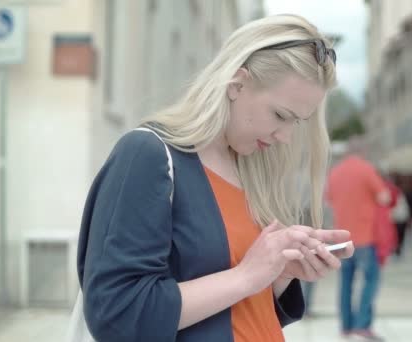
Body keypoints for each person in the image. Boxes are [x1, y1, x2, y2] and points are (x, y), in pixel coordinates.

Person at [76, 15, 354, 342]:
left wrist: (278, 273)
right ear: (237, 84)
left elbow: (234, 315)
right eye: (281, 115)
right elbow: (117, 313)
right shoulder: (148, 155)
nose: (285, 137)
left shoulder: (247, 165)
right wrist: (247, 275)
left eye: (298, 122)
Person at [326, 137, 391, 341]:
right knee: (371, 280)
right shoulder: (365, 169)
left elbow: (327, 199)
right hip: (364, 236)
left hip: (341, 238)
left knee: (345, 282)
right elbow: (385, 197)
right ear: (362, 151)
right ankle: (362, 325)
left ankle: (345, 326)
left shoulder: (335, 172)